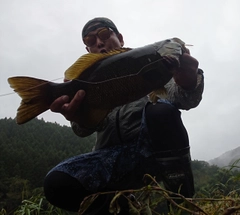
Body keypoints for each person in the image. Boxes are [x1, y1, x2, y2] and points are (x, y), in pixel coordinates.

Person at [44, 17, 204, 214]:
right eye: (90, 41)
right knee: (56, 183)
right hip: (112, 160)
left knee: (161, 110)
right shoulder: (86, 80)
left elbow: (184, 98)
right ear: (87, 51)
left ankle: (183, 204)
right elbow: (82, 130)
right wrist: (77, 115)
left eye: (104, 34)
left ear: (120, 38)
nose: (99, 42)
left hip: (155, 152)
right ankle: (125, 210)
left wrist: (189, 81)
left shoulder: (154, 64)